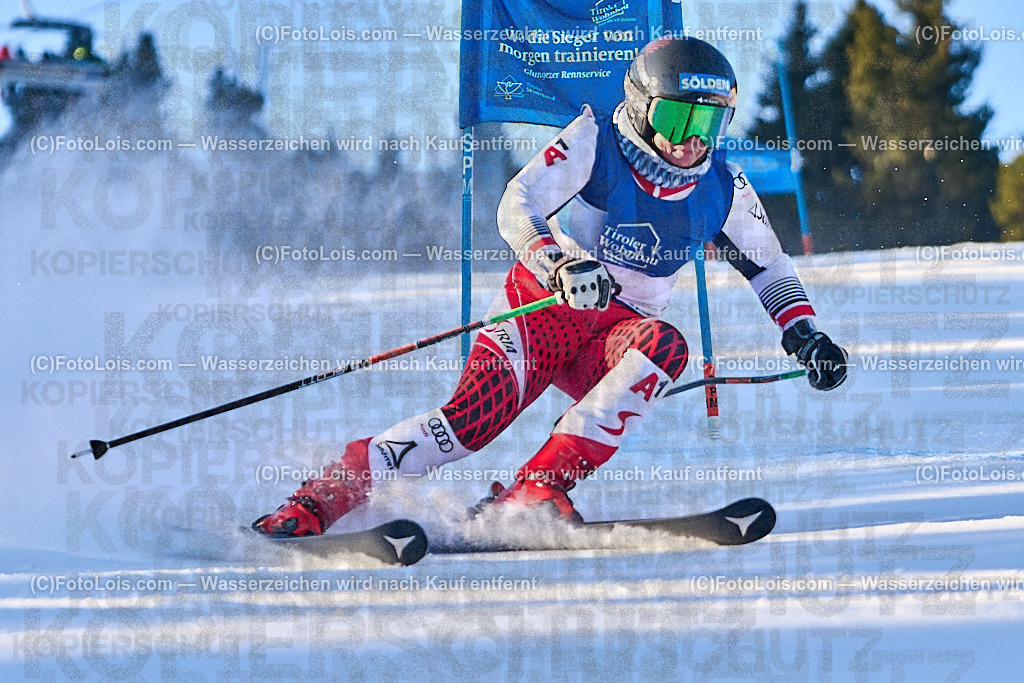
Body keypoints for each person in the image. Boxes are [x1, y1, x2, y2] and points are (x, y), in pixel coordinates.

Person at [253, 37, 848, 536]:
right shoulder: (596, 140)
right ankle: (317, 501)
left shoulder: (724, 186)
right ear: (642, 109)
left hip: (610, 337)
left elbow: (769, 267)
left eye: (708, 121)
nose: (692, 139)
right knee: (466, 428)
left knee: (665, 346)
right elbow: (517, 203)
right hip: (540, 314)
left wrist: (806, 337)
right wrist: (557, 263)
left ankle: (535, 491)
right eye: (677, 118)